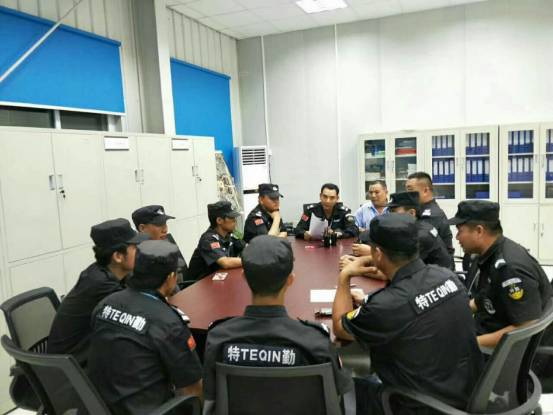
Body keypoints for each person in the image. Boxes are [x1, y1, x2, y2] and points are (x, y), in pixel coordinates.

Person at [333, 214, 483, 414]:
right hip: (465, 392)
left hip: (416, 406)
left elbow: (340, 327)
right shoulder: (447, 276)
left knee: (339, 385)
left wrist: (345, 276)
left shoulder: (386, 305)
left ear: (378, 253)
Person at [203, 235, 353, 414]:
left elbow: (210, 397)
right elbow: (337, 394)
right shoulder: (315, 342)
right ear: (290, 280)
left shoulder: (218, 338)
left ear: (244, 277)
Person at [88, 240, 203, 414]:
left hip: (100, 405)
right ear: (170, 278)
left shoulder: (105, 304)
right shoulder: (169, 323)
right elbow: (192, 388)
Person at [449, 200, 552, 348]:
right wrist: (453, 312)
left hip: (500, 351)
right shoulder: (492, 254)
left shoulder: (509, 268)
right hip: (489, 327)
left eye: (460, 231)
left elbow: (526, 326)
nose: (457, 237)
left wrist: (471, 344)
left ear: (479, 231)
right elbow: (485, 298)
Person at [47, 218, 148, 364]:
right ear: (118, 256)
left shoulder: (105, 272)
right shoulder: (100, 284)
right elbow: (138, 315)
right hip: (74, 365)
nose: (141, 252)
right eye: (135, 249)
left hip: (86, 352)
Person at [387, 191, 453, 269]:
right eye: (389, 211)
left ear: (411, 213)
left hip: (436, 276)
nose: (389, 216)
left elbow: (396, 268)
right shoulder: (418, 227)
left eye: (393, 212)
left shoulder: (420, 236)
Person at [184, 201, 245, 281]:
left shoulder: (228, 235)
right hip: (200, 284)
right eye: (231, 218)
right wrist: (249, 261)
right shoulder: (208, 239)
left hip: (218, 280)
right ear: (219, 220)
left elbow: (244, 247)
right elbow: (225, 262)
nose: (235, 221)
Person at [132, 204, 187, 284]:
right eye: (159, 224)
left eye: (165, 223)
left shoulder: (167, 243)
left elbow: (182, 274)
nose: (165, 229)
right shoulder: (133, 256)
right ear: (142, 228)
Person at [406, 172, 454, 255]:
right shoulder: (421, 210)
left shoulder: (431, 215)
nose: (406, 194)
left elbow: (418, 244)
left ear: (425, 191)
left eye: (410, 190)